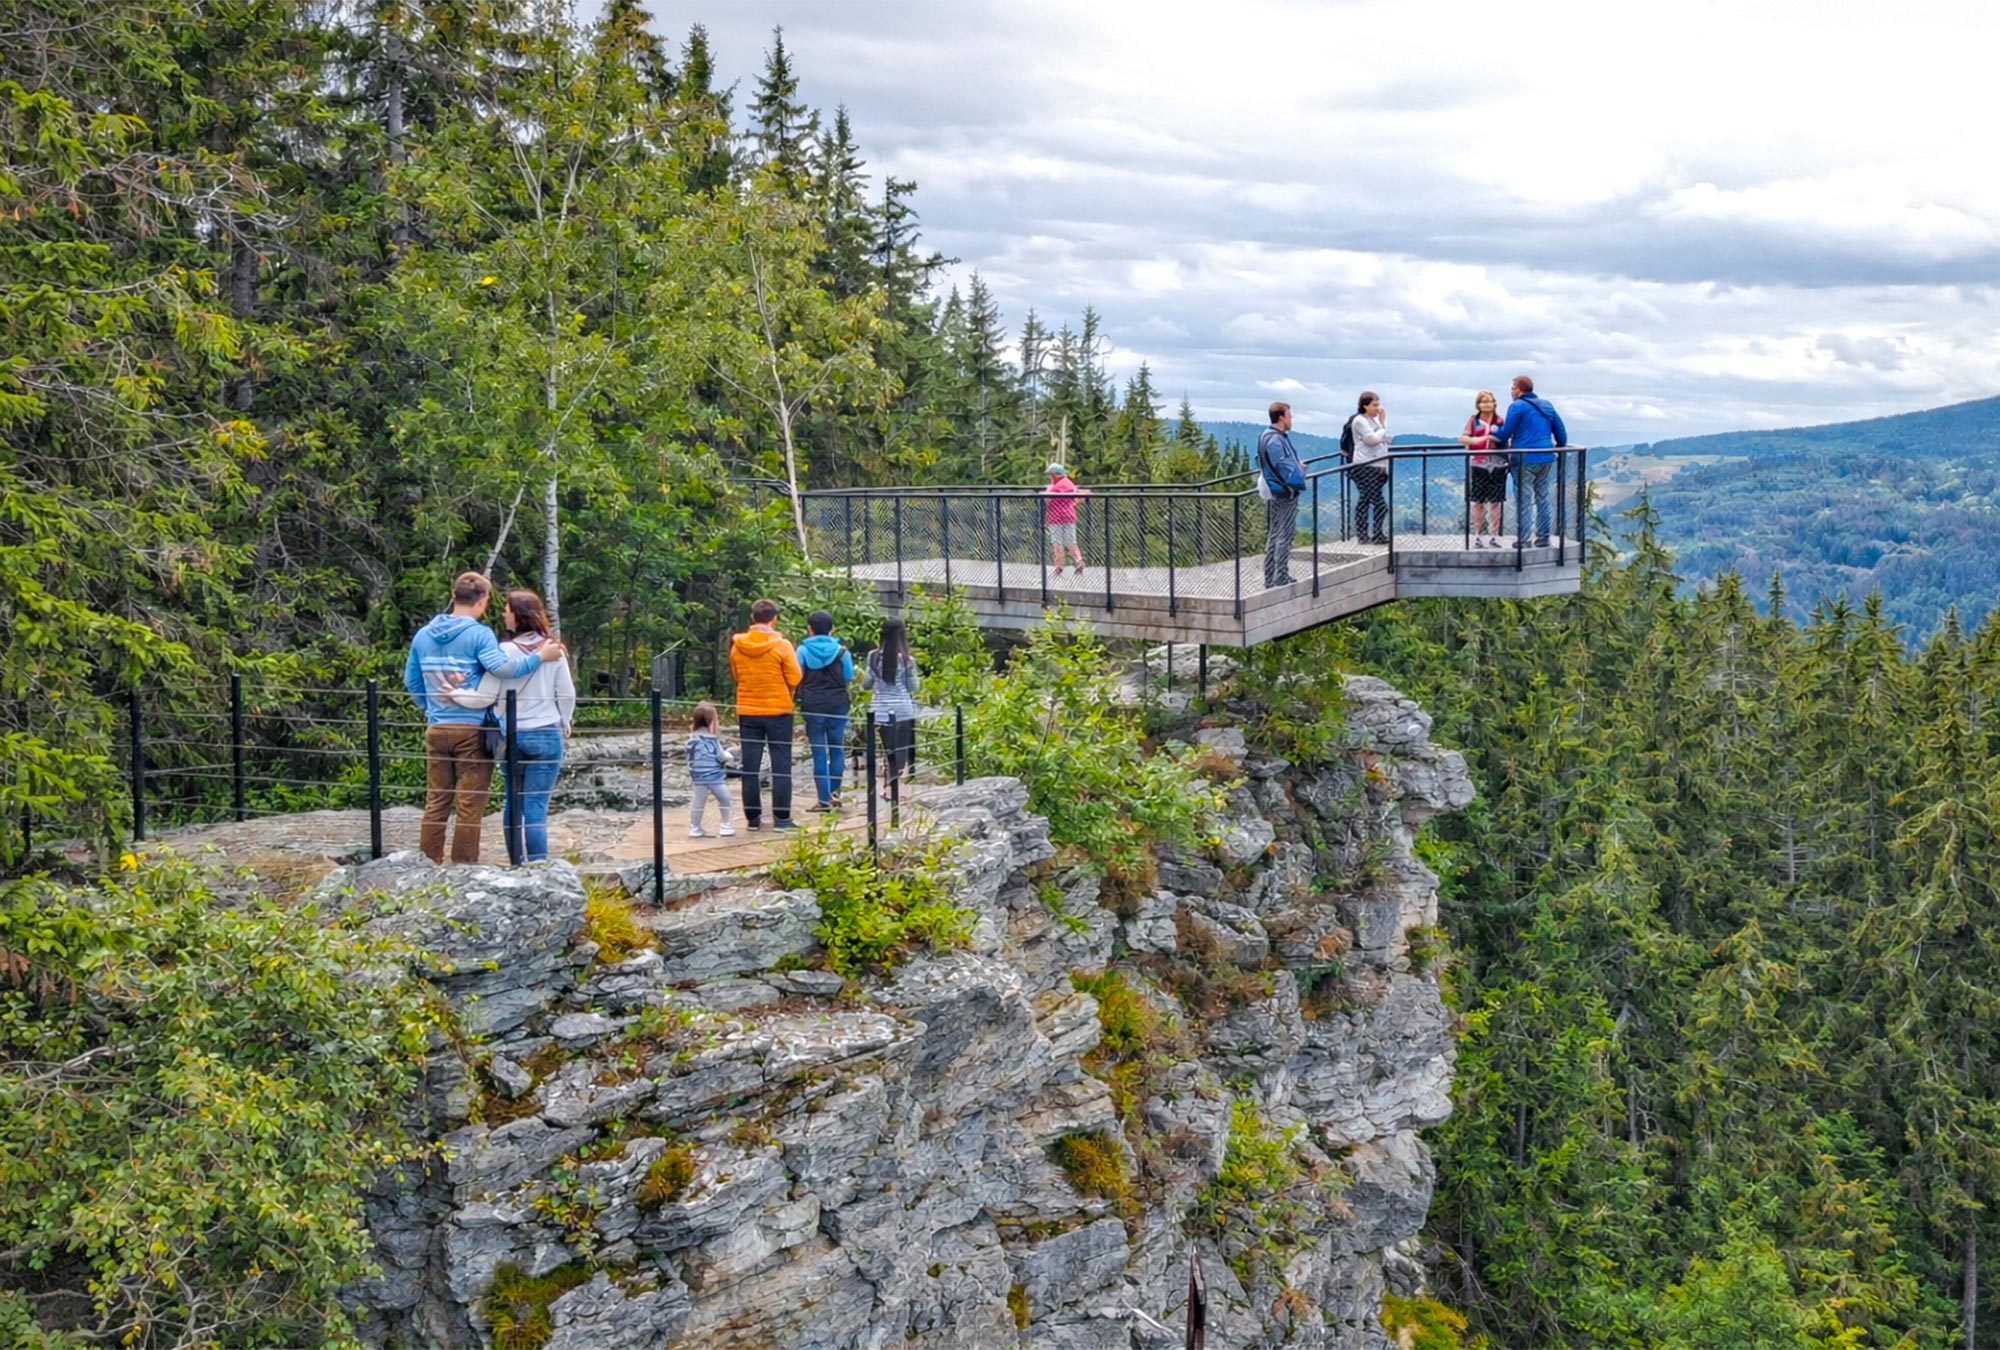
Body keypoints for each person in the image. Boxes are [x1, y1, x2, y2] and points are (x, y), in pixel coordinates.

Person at [403, 571, 564, 864]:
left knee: (436, 800)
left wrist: (432, 708)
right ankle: (463, 870)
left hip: (437, 728)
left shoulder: (423, 635)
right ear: (482, 601)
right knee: (469, 804)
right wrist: (539, 658)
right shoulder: (479, 634)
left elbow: (412, 681)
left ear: (453, 596)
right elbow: (501, 669)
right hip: (472, 729)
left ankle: (426, 866)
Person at [441, 589, 575, 864]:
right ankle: (540, 865)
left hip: (512, 735)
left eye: (506, 609)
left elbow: (484, 697)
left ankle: (517, 862)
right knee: (536, 806)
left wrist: (454, 694)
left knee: (512, 802)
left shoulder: (502, 652)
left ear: (517, 616)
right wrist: (566, 719)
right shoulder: (555, 651)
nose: (503, 613)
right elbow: (567, 693)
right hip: (547, 733)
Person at [729, 597, 802, 831]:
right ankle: (782, 819)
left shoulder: (738, 645)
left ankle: (753, 819)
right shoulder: (782, 646)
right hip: (778, 710)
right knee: (781, 764)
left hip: (748, 709)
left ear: (752, 618)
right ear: (774, 619)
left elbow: (737, 675)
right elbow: (795, 677)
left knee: (750, 765)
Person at [1493, 374, 1569, 547]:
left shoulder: (1517, 406)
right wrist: (1559, 447)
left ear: (1519, 389)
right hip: (1546, 458)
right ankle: (1543, 537)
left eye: (1512, 388)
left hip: (1523, 459)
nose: (1511, 391)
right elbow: (1561, 432)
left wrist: (1492, 431)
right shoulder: (1547, 405)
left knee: (1524, 500)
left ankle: (1524, 540)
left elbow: (1506, 432)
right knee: (1543, 497)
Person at [796, 609, 854, 813]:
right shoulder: (843, 652)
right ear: (832, 629)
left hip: (812, 705)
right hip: (838, 703)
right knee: (837, 748)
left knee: (818, 751)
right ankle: (834, 794)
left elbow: (797, 676)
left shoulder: (802, 651)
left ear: (809, 629)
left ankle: (823, 800)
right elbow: (848, 676)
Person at [864, 616, 921, 795]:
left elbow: (866, 684)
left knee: (889, 749)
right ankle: (893, 787)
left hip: (879, 710)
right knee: (901, 751)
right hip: (903, 710)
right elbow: (914, 687)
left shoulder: (872, 657)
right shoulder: (907, 660)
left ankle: (888, 785)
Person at [1257, 401, 1305, 587]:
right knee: (1283, 534)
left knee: (1275, 533)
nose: (1291, 419)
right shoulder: (1276, 440)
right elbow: (1286, 470)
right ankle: (1279, 576)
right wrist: (1300, 473)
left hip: (1276, 492)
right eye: (1290, 416)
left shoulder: (1267, 436)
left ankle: (1270, 577)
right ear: (1281, 417)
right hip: (1284, 493)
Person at [1459, 389, 1509, 548]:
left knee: (1496, 502)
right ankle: (1478, 535)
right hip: (1478, 464)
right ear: (1478, 404)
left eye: (1489, 401)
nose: (1486, 404)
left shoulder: (1500, 421)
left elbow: (1505, 438)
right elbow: (1463, 437)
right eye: (1483, 401)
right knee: (1478, 501)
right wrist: (1481, 439)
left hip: (1497, 465)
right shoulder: (1473, 420)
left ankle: (1495, 535)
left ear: (1494, 403)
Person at [1344, 392, 1392, 545]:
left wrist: (1381, 430)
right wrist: (1382, 425)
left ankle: (1364, 535)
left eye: (1378, 404)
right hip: (1365, 466)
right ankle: (1375, 534)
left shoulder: (1372, 422)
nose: (1378, 408)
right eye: (1374, 405)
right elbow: (1372, 440)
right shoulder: (1360, 421)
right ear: (1365, 405)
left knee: (1365, 499)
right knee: (1379, 504)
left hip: (1376, 465)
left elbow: (1387, 438)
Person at [684, 701, 737, 838]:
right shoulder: (712, 740)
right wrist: (729, 757)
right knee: (725, 799)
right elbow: (720, 756)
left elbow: (688, 757)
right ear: (712, 721)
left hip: (698, 778)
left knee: (698, 803)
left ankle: (695, 828)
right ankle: (726, 825)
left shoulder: (691, 739)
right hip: (715, 778)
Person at [1044, 462, 1091, 576]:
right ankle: (1079, 561)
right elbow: (1080, 496)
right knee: (1071, 541)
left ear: (1056, 475)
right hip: (1069, 515)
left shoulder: (1055, 487)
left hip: (1055, 517)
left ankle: (1059, 565)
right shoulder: (1069, 484)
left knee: (1057, 541)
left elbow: (1047, 499)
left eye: (1051, 475)